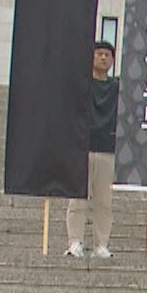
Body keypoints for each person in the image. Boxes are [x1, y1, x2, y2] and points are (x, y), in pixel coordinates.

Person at [65, 40, 118, 259]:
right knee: (77, 198)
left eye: (107, 54)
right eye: (99, 54)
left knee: (104, 201)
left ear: (113, 60)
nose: (103, 58)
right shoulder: (82, 84)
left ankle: (101, 244)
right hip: (82, 148)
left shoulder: (116, 87)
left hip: (107, 148)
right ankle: (75, 241)